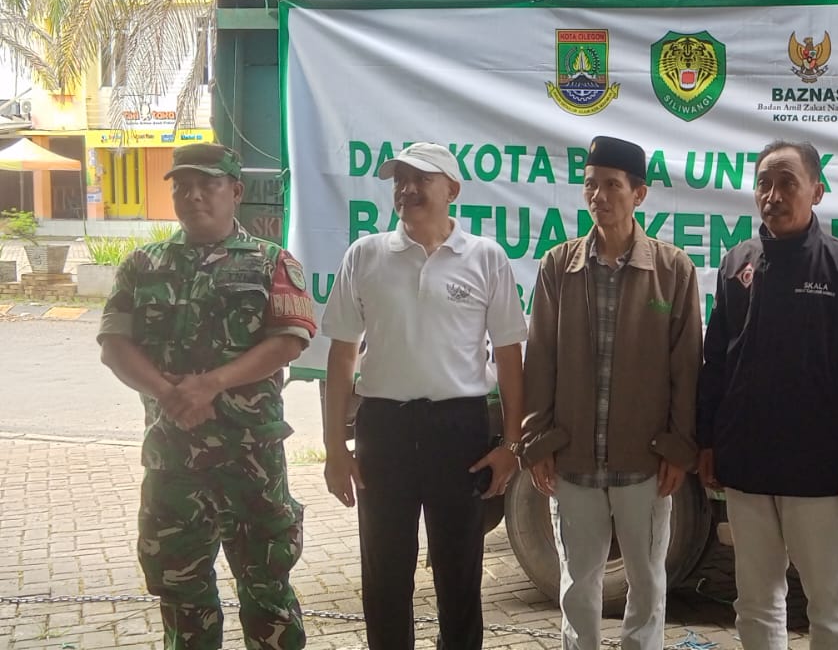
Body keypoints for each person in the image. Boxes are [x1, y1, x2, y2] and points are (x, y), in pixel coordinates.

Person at [98, 142, 316, 650]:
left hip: (251, 461)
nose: (194, 196)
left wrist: (211, 384)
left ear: (235, 191)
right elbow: (114, 345)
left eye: (208, 184)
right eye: (182, 186)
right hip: (174, 459)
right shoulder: (142, 265)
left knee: (267, 590)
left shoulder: (271, 262)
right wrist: (169, 395)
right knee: (180, 594)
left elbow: (289, 340)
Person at [319, 142, 528, 650]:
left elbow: (509, 357)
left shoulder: (486, 258)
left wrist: (511, 445)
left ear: (452, 189)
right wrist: (334, 449)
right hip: (384, 430)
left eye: (421, 179)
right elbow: (341, 356)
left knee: (460, 573)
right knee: (385, 573)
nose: (407, 189)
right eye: (400, 180)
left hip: (459, 432)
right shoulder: (365, 255)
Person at [697, 140, 838, 650]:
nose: (773, 195)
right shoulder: (736, 263)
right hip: (746, 465)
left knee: (827, 602)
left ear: (817, 191)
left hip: (816, 468)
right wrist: (708, 441)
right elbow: (716, 360)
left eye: (787, 182)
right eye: (764, 183)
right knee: (755, 601)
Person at [518, 136, 703, 650]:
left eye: (612, 185)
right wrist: (537, 442)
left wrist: (678, 448)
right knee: (578, 586)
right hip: (574, 460)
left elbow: (686, 367)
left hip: (644, 463)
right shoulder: (558, 266)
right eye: (590, 184)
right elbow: (541, 358)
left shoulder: (672, 270)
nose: (598, 196)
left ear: (638, 194)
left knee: (647, 583)